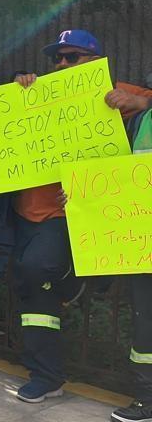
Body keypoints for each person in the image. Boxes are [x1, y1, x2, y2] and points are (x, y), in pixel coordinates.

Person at [7, 30, 107, 402]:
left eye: (72, 57)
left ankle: (75, 280)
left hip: (65, 216)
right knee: (33, 293)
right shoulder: (36, 94)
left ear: (95, 61)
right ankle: (46, 375)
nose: (61, 64)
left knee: (37, 271)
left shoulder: (114, 94)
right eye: (57, 59)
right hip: (22, 214)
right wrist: (19, 89)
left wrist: (137, 101)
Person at [106, 87, 152, 422]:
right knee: (146, 322)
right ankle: (147, 398)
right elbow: (119, 176)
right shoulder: (141, 121)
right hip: (144, 240)